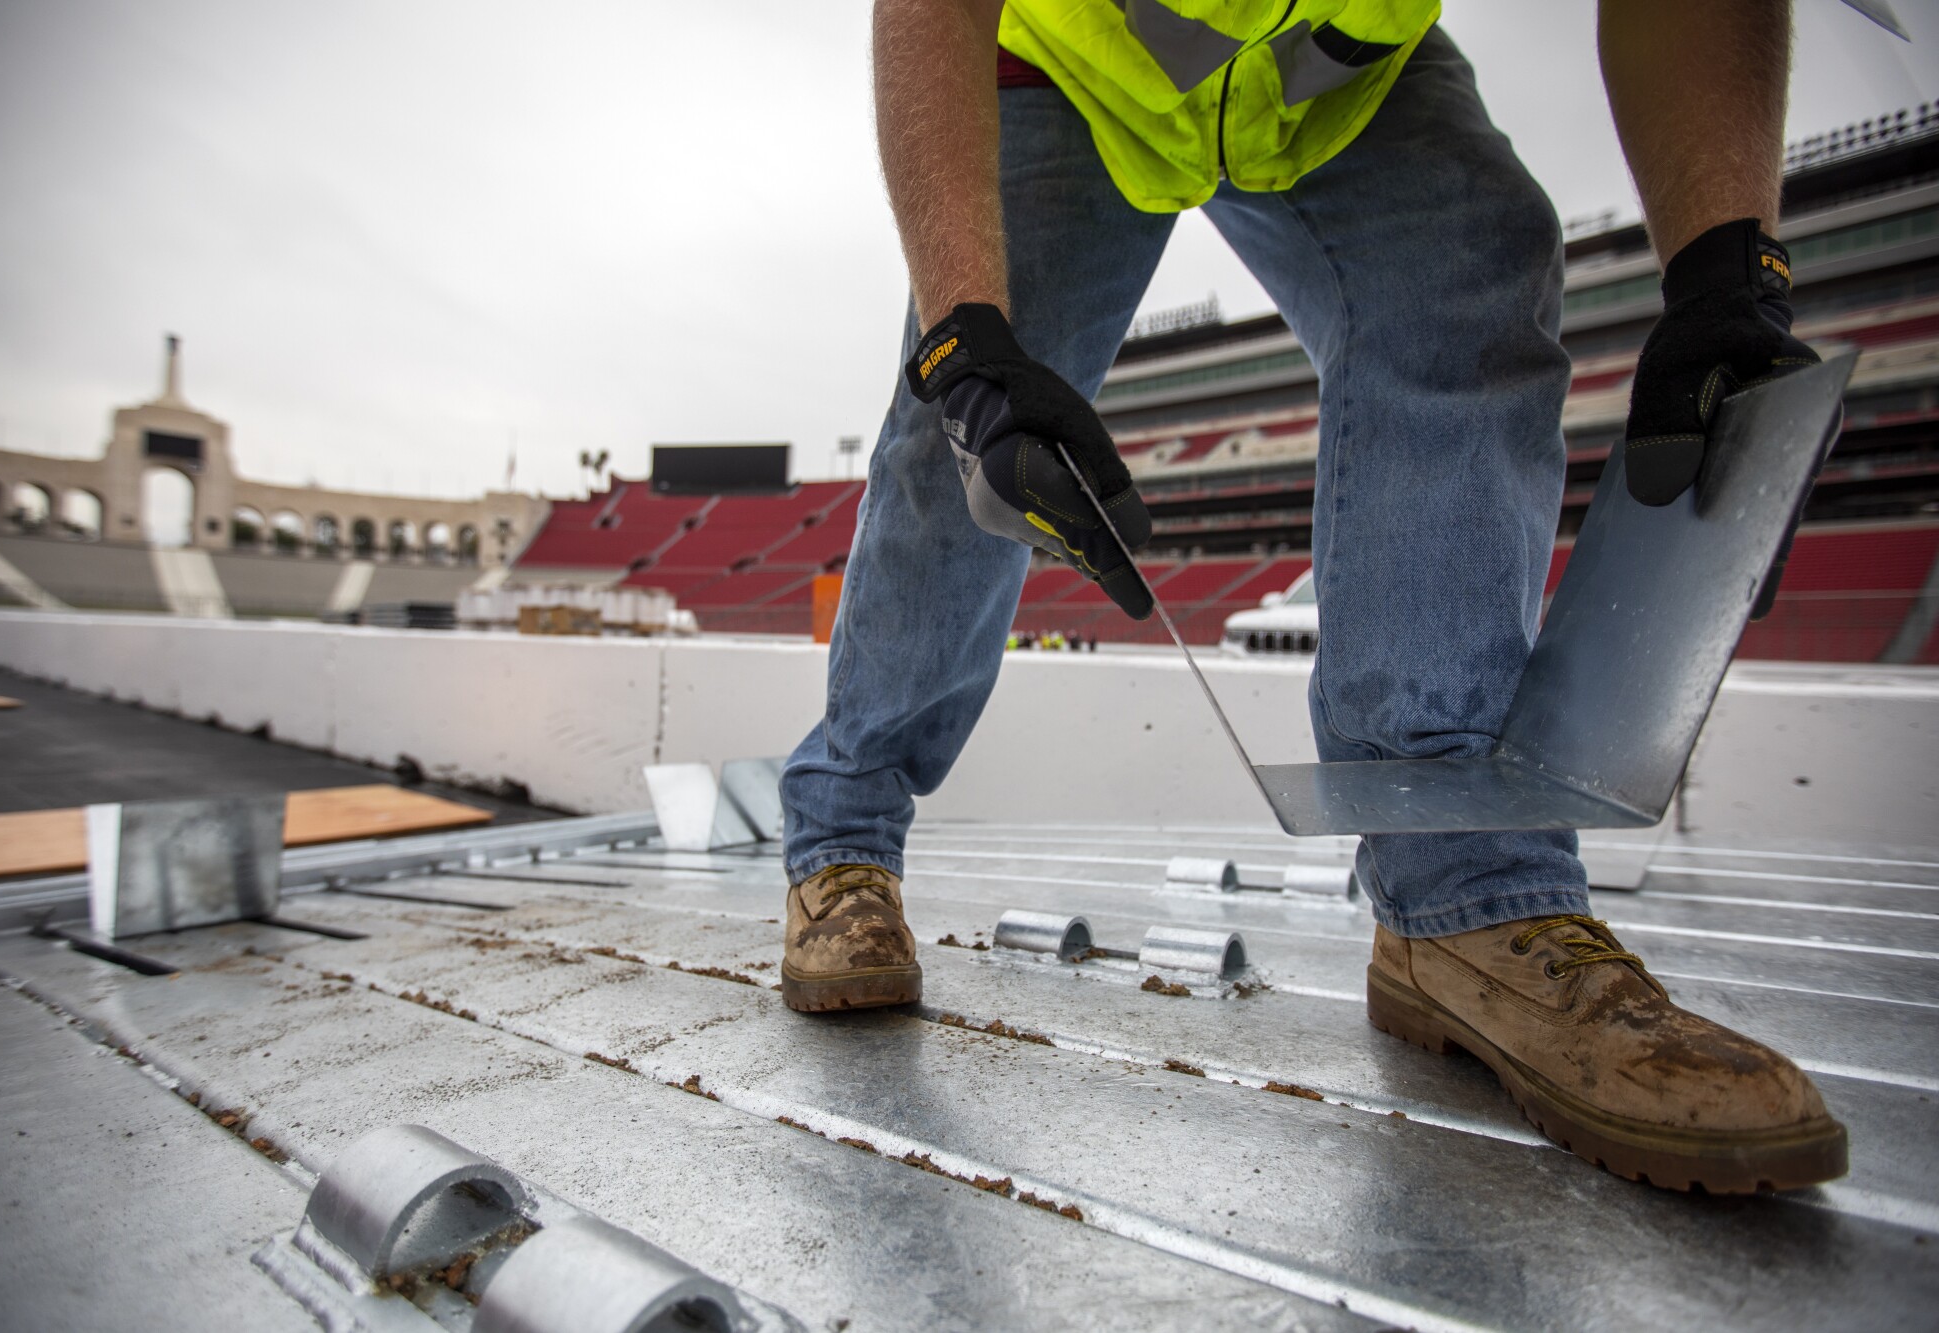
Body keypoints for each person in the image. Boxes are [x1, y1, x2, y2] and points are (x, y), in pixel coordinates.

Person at [777, 0, 1846, 1192]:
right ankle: (843, 844)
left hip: (1324, 75)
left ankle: (1464, 901)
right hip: (1065, 59)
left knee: (1462, 271)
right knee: (964, 436)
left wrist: (1723, 275)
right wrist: (964, 342)